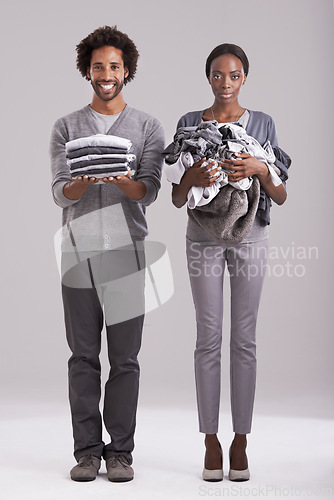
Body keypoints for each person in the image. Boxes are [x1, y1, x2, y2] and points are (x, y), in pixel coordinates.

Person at [170, 44, 290, 482]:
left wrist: (259, 167)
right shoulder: (188, 124)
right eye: (218, 75)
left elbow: (279, 194)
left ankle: (241, 439)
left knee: (244, 340)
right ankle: (210, 439)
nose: (226, 84)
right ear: (208, 78)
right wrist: (192, 177)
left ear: (244, 78)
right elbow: (177, 198)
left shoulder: (262, 124)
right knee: (208, 338)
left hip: (251, 235)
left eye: (234, 75)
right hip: (202, 237)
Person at [50, 26, 164, 483]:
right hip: (78, 251)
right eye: (98, 66)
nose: (106, 73)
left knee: (125, 358)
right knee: (82, 356)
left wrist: (122, 180)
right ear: (88, 70)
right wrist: (85, 180)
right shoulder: (66, 126)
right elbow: (60, 193)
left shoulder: (147, 126)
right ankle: (87, 453)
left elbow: (150, 191)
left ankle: (120, 452)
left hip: (126, 251)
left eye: (114, 66)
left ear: (127, 70)